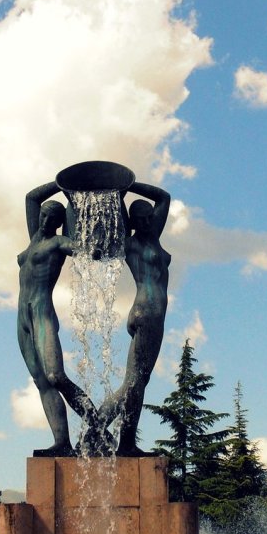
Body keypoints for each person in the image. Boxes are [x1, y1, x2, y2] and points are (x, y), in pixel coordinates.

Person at [17, 180, 98, 456]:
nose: (45, 221)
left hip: (42, 312)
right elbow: (31, 196)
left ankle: (97, 424)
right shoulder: (33, 240)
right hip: (22, 318)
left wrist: (92, 249)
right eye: (43, 216)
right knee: (41, 381)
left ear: (58, 223)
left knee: (55, 375)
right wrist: (63, 183)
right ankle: (62, 442)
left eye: (52, 219)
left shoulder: (58, 241)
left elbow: (82, 249)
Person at [99, 181, 171, 456]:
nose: (145, 221)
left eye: (147, 216)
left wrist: (127, 186)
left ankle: (124, 442)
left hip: (147, 314)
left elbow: (163, 197)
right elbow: (162, 198)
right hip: (149, 313)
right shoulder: (132, 243)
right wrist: (122, 191)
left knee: (138, 381)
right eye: (139, 218)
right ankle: (98, 428)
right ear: (134, 221)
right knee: (134, 381)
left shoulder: (151, 238)